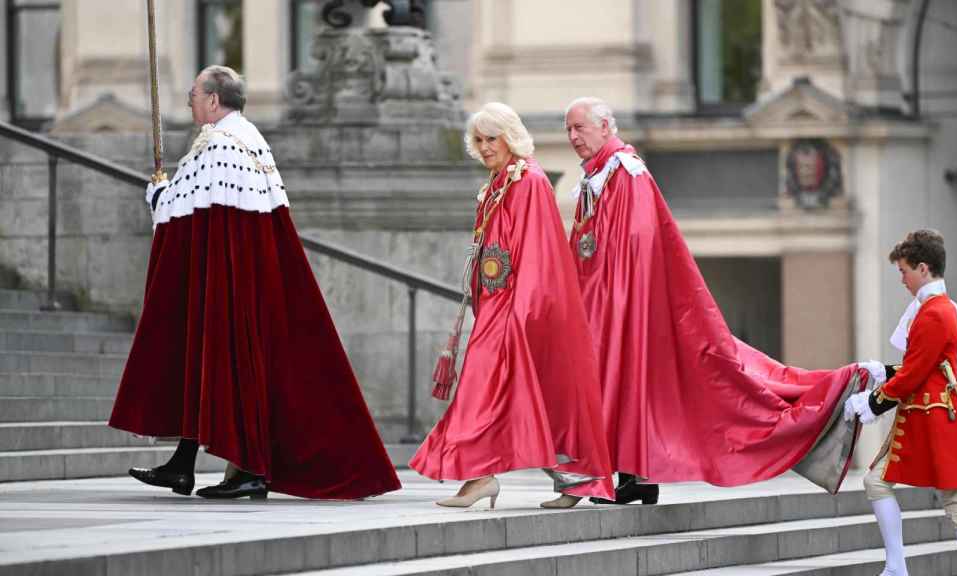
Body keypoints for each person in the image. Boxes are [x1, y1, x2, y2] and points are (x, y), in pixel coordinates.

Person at [108, 65, 401, 500]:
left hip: (231, 281)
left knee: (226, 359)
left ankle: (249, 469)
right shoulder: (251, 139)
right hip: (245, 275)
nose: (189, 100)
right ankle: (183, 466)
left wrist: (157, 193)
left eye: (193, 93)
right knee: (203, 357)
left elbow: (184, 211)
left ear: (212, 100)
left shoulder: (219, 143)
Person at [564, 97, 863, 505]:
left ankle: (830, 397)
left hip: (627, 308)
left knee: (672, 386)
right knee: (631, 389)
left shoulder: (626, 172)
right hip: (611, 307)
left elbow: (635, 247)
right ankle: (635, 474)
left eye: (579, 127)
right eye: (568, 129)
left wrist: (616, 308)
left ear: (605, 127)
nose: (572, 137)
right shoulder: (599, 176)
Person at [409, 102, 614, 509]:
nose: (485, 147)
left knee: (487, 390)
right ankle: (517, 476)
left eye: (492, 138)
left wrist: (523, 314)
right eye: (479, 140)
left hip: (518, 309)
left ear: (510, 137)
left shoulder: (530, 179)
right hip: (496, 305)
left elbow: (538, 252)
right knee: (512, 397)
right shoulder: (498, 182)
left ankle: (492, 476)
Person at [845, 229, 957, 576]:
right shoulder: (943, 309)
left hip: (935, 417)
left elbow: (915, 373)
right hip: (937, 413)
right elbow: (924, 365)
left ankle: (899, 567)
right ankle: (897, 566)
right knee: (949, 504)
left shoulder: (933, 313)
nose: (902, 279)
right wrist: (882, 371)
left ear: (924, 268)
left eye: (904, 271)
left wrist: (872, 402)